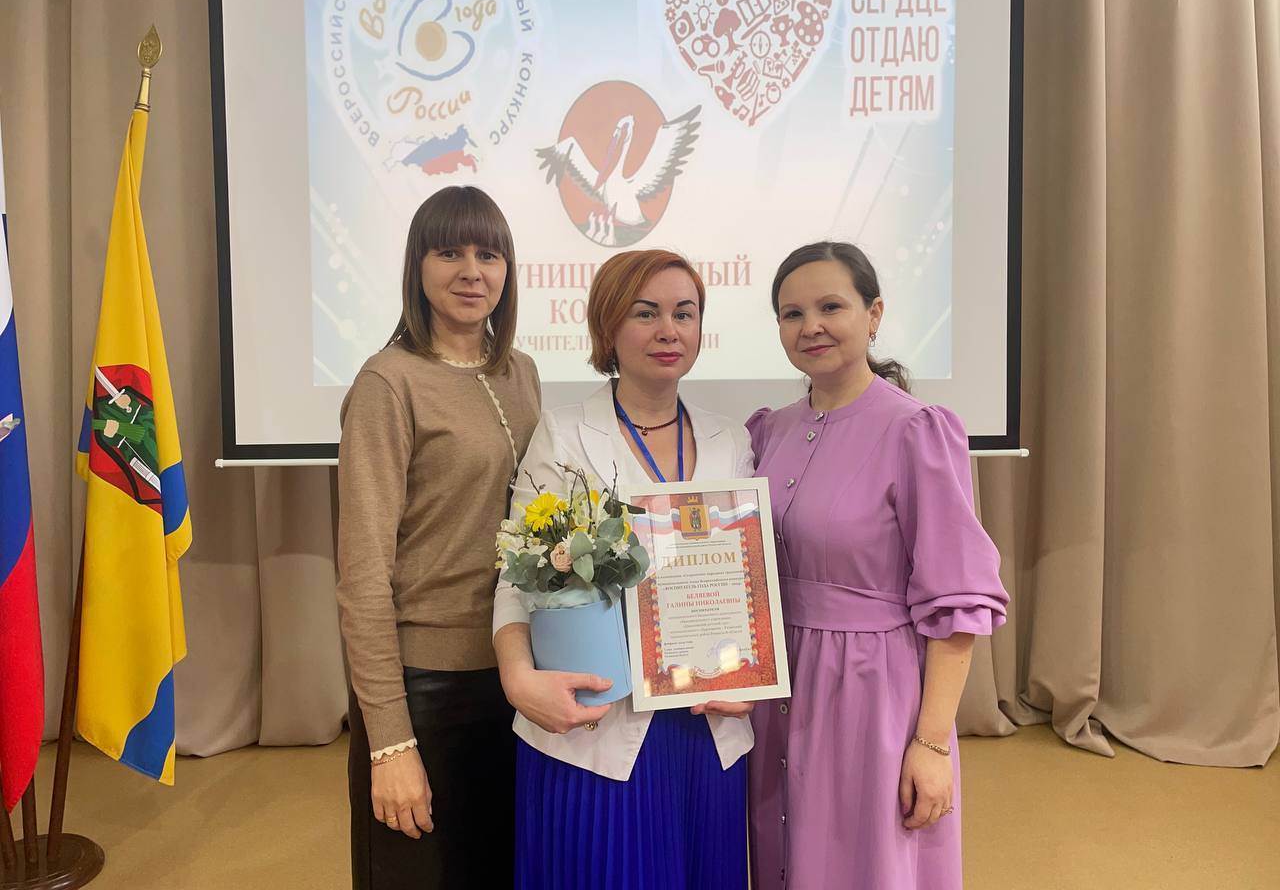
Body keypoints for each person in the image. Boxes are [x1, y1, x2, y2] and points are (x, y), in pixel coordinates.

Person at [747, 241, 1009, 890]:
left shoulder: (916, 430)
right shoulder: (768, 431)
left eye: (830, 307)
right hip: (777, 684)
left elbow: (956, 605)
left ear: (874, 314)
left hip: (870, 692)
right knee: (780, 852)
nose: (811, 326)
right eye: (791, 313)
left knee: (864, 863)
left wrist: (932, 744)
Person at [493, 249, 755, 890]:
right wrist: (517, 679)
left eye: (684, 314)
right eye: (646, 313)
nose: (669, 330)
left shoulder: (731, 440)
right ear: (608, 328)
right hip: (597, 724)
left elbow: (751, 579)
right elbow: (515, 578)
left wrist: (754, 675)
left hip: (705, 722)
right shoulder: (562, 434)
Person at [336, 186, 541, 889]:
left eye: (489, 255)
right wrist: (390, 740)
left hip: (514, 673)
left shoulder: (520, 373)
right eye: (450, 252)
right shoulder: (387, 383)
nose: (472, 272)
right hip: (424, 687)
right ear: (417, 266)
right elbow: (363, 573)